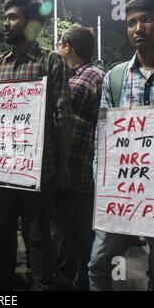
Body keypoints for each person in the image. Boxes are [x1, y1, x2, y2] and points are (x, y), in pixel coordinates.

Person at [88, 0, 154, 291]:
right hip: (121, 195)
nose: (138, 28)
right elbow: (104, 138)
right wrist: (103, 184)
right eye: (131, 22)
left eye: (147, 19)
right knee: (99, 264)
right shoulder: (115, 77)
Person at [0, 0, 73, 291]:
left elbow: (63, 115)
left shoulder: (52, 61)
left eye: (13, 17)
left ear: (31, 23)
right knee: (2, 229)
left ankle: (41, 284)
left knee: (38, 234)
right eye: (5, 17)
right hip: (1, 167)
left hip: (39, 169)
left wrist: (62, 166)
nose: (5, 23)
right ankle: (4, 284)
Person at [55, 27, 105, 290]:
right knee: (61, 235)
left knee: (82, 237)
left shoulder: (95, 77)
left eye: (58, 43)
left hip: (83, 174)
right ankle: (65, 281)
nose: (56, 47)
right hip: (58, 173)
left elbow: (106, 126)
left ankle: (84, 283)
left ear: (68, 47)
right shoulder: (58, 77)